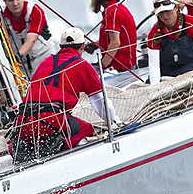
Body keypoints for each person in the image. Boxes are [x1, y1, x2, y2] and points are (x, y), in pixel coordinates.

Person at [9, 27, 117, 162]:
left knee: (37, 133)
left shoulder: (45, 61)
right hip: (52, 121)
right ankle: (59, 146)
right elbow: (100, 103)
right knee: (88, 130)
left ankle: (39, 146)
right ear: (82, 47)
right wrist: (114, 122)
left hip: (23, 123)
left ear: (60, 46)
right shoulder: (82, 64)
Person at [147, 0, 193, 84]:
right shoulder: (154, 33)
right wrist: (155, 87)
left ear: (176, 8)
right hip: (167, 74)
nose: (165, 16)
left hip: (192, 69)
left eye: (168, 11)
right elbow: (154, 65)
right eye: (161, 13)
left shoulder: (192, 23)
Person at [1, 0, 54, 76]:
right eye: (10, 0)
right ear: (4, 1)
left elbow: (31, 40)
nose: (15, 3)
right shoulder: (2, 18)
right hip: (21, 67)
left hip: (43, 58)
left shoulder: (35, 11)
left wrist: (16, 59)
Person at [87, 0, 137, 71]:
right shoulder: (118, 8)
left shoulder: (112, 11)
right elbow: (116, 38)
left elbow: (115, 42)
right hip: (128, 67)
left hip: (121, 70)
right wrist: (95, 45)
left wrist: (101, 66)